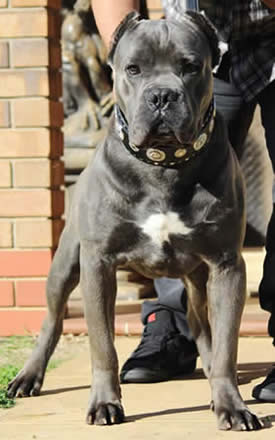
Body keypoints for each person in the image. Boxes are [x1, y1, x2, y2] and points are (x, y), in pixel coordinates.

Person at [91, 0, 275, 401]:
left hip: (258, 33)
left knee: (221, 245)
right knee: (169, 187)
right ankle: (173, 330)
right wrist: (122, 54)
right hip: (191, 43)